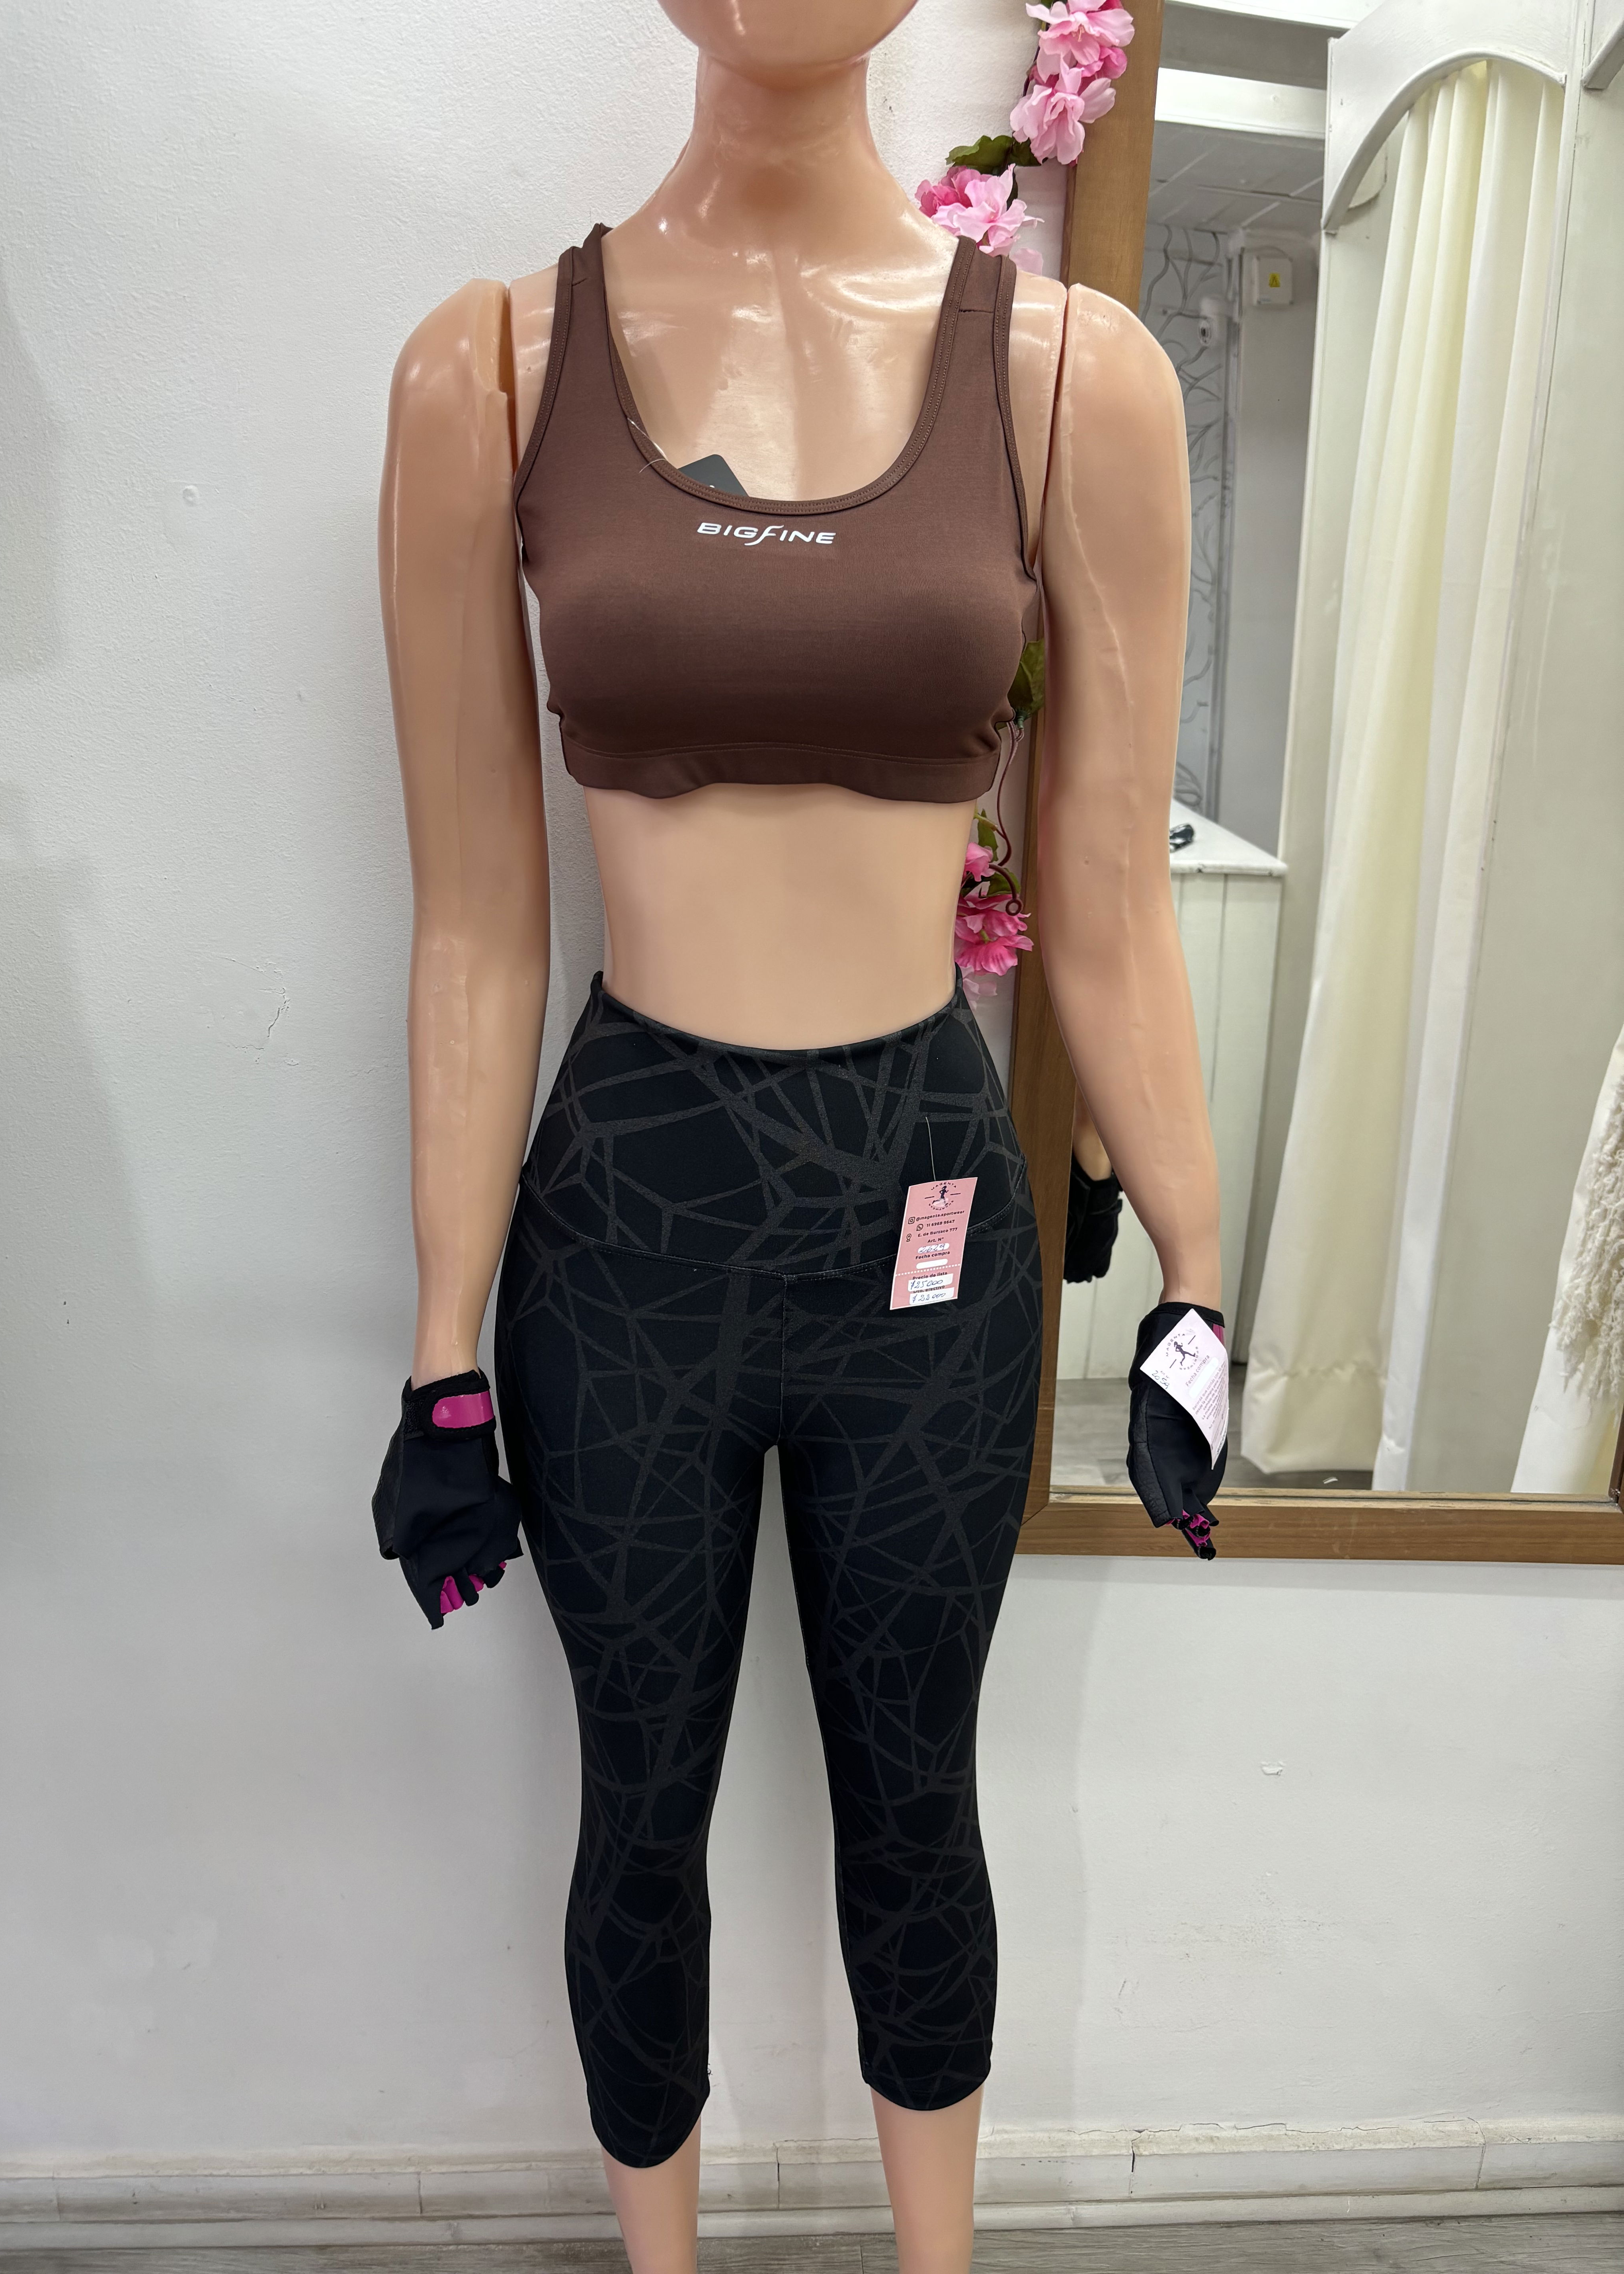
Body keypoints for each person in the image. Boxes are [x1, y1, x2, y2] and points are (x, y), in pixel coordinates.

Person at [371, 5, 1223, 2268]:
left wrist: (1202, 1283)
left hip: (919, 1218)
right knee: (638, 1812)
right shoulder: (486, 371)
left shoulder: (1074, 380)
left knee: (917, 1808)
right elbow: (474, 920)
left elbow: (1109, 895)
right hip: (628, 1226)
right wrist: (442, 1351)